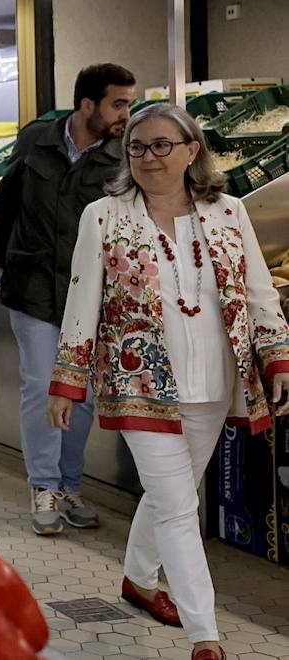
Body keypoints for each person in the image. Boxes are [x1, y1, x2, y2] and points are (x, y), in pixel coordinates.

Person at [48, 103, 289, 660]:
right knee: (180, 505)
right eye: (137, 147)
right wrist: (67, 381)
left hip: (214, 380)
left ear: (191, 151)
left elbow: (258, 289)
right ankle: (205, 635)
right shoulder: (103, 216)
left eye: (162, 145)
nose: (149, 157)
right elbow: (82, 298)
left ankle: (138, 578)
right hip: (139, 380)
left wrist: (276, 355)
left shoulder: (228, 212)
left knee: (169, 494)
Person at [0, 62, 136, 535]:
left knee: (83, 392)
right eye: (118, 103)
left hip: (90, 295)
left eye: (129, 103)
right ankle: (44, 486)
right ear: (87, 104)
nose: (125, 114)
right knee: (40, 387)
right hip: (33, 287)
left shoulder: (123, 156)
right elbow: (7, 204)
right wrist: (12, 257)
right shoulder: (36, 141)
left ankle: (70, 485)